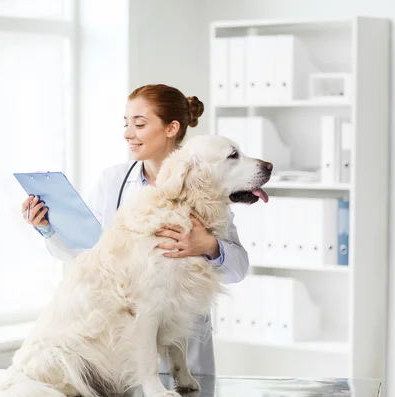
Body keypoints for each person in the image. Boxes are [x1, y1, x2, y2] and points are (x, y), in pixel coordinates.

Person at [20, 84, 249, 376]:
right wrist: (47, 229)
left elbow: (238, 269)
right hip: (120, 349)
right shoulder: (113, 180)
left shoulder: (204, 182)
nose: (128, 133)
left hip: (184, 346)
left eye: (139, 124)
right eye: (126, 124)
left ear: (171, 128)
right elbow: (86, 254)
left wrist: (208, 246)